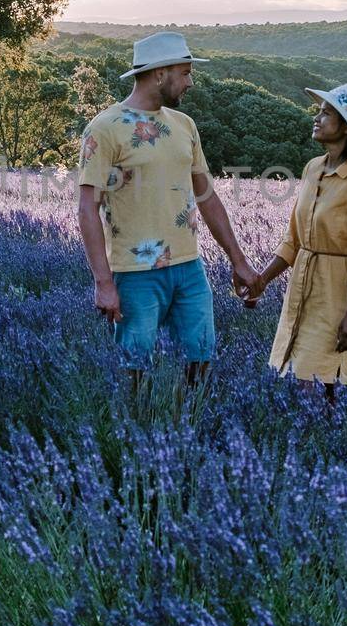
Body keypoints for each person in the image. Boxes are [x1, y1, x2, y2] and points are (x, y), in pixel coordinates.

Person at [76, 31, 259, 391]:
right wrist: (103, 283)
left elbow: (206, 196)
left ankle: (190, 427)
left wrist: (238, 259)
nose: (190, 82)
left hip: (189, 268)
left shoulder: (184, 126)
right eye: (185, 72)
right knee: (135, 368)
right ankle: (137, 435)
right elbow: (87, 209)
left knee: (201, 360)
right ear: (160, 73)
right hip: (134, 271)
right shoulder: (104, 129)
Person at [244, 83, 347, 402]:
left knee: (323, 379)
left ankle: (326, 443)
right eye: (319, 111)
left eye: (326, 113)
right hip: (302, 287)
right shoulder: (313, 169)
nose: (317, 117)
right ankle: (311, 443)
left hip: (336, 295)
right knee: (298, 375)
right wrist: (262, 281)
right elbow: (293, 239)